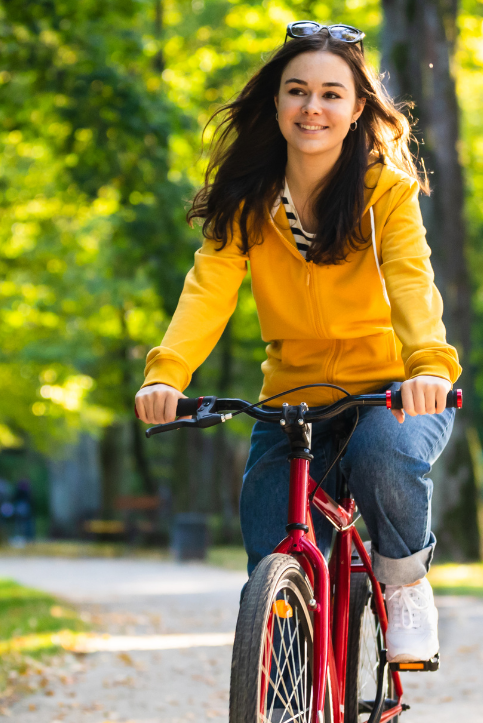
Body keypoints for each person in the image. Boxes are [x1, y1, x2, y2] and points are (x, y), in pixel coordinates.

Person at [134, 22, 460, 664]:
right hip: (294, 396)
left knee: (381, 455)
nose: (313, 107)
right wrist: (166, 374)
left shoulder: (385, 194)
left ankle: (403, 583)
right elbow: (208, 291)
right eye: (297, 91)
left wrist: (425, 366)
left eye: (332, 94)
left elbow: (411, 283)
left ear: (358, 107)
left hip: (393, 393)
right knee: (270, 535)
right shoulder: (247, 202)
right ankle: (281, 696)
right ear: (277, 102)